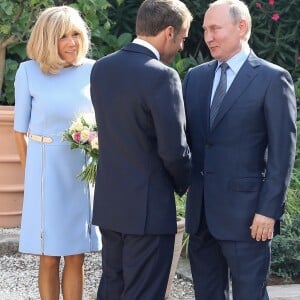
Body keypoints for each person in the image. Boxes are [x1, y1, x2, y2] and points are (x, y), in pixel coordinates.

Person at [182, 0, 297, 299]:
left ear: (242, 27)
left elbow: (283, 152)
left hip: (248, 219)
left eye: (215, 28)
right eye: (205, 29)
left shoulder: (273, 79)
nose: (208, 36)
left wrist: (268, 211)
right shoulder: (195, 78)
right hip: (201, 217)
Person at [90, 0, 192, 299]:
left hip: (110, 206)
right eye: (183, 39)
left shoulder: (101, 68)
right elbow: (174, 150)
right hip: (148, 211)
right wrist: (185, 184)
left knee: (112, 288)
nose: (182, 48)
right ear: (169, 32)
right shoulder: (161, 75)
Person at [14, 6, 101, 300]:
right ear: (47, 39)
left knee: (77, 254)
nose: (72, 42)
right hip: (44, 173)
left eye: (76, 34)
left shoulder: (93, 70)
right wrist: (31, 179)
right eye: (62, 36)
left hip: (79, 172)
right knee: (48, 255)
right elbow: (19, 132)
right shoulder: (28, 71)